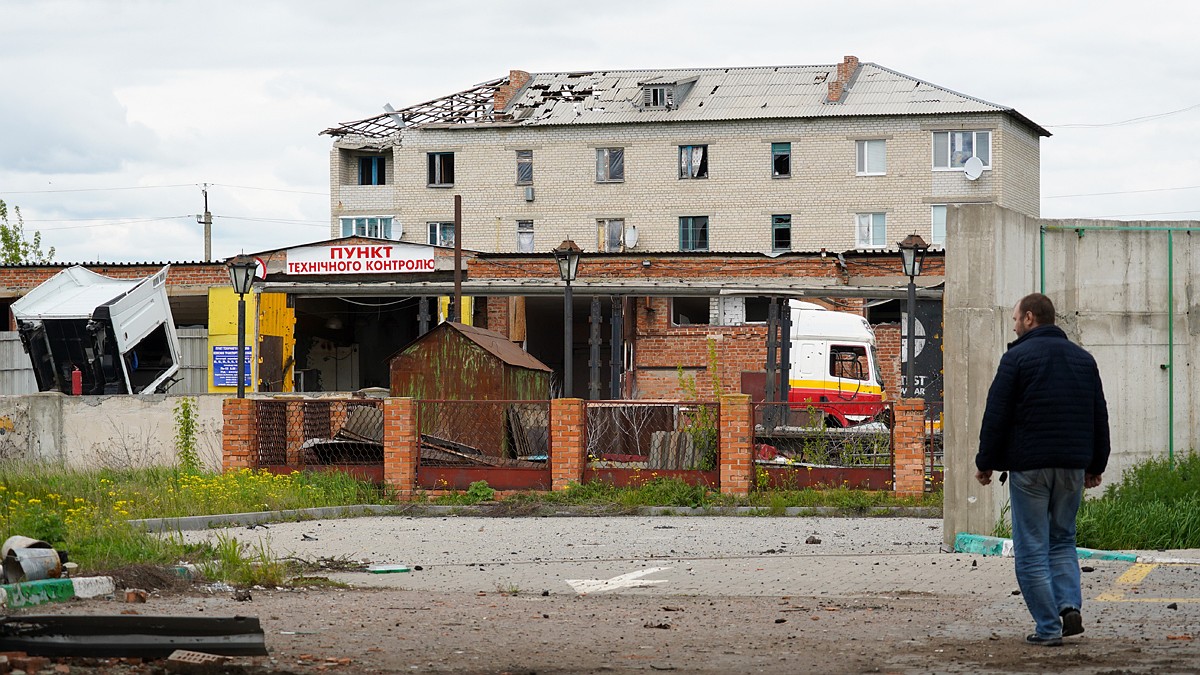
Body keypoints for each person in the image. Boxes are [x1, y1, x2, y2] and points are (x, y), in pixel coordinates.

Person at [975, 293, 1110, 647]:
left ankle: (1048, 628)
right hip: (1072, 468)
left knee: (1032, 547)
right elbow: (1099, 415)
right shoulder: (1084, 360)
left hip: (1030, 468)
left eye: (1017, 319)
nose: (1014, 325)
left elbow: (997, 414)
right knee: (1063, 540)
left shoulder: (1016, 358)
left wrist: (985, 462)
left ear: (1031, 318)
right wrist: (1096, 465)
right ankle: (1068, 607)